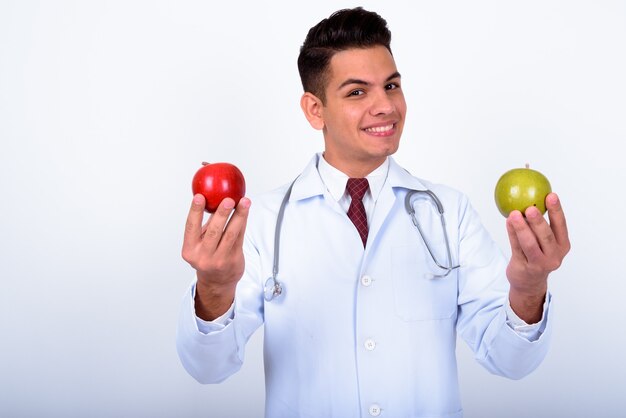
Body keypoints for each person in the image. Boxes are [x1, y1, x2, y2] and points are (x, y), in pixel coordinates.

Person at [177, 7, 570, 417]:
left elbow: (510, 361)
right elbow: (207, 367)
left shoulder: (448, 212)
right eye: (357, 92)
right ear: (315, 110)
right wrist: (214, 287)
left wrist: (528, 289)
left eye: (392, 85)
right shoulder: (264, 219)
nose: (386, 106)